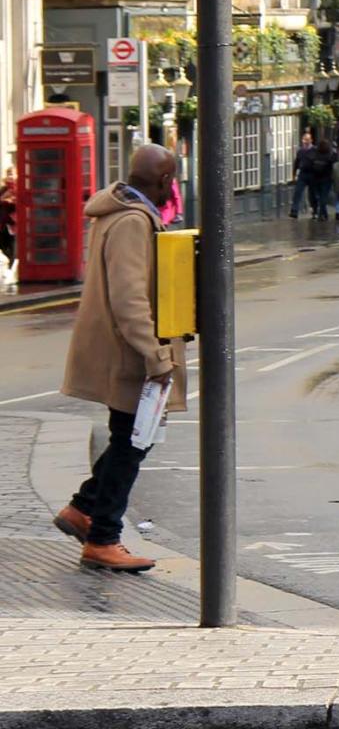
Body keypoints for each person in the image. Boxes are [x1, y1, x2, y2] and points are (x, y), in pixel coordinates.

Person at [55, 144, 184, 571]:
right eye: (172, 180)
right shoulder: (131, 220)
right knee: (133, 441)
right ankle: (103, 537)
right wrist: (155, 355)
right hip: (128, 354)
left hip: (121, 349)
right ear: (165, 181)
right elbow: (129, 300)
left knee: (128, 439)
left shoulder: (123, 211)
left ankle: (83, 509)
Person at [304, 134, 337, 221]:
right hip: (326, 178)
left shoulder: (315, 154)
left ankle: (323, 213)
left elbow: (310, 164)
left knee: (318, 196)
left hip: (316, 178)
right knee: (323, 197)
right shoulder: (330, 154)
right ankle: (321, 214)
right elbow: (333, 166)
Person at [290, 129, 314, 219]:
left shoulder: (314, 150)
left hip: (312, 174)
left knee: (312, 193)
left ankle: (314, 209)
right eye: (304, 139)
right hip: (303, 174)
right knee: (298, 192)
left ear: (311, 140)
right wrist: (294, 173)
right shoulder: (300, 151)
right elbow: (296, 162)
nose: (305, 141)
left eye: (307, 140)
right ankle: (294, 210)